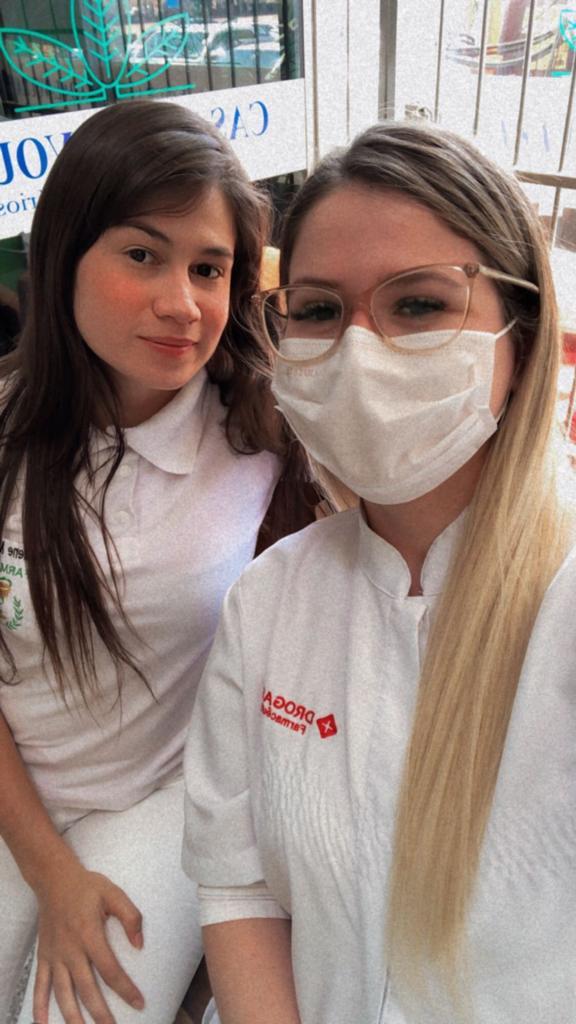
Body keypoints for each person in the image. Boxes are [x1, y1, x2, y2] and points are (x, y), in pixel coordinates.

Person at [182, 120, 576, 1024]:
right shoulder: (270, 601)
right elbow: (239, 886)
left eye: (419, 304)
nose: (360, 352)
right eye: (320, 311)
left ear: (520, 339)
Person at [0, 99, 315, 1024]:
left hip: (165, 799)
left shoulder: (266, 433)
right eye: (143, 254)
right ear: (65, 254)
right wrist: (52, 874)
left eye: (209, 268)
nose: (183, 303)